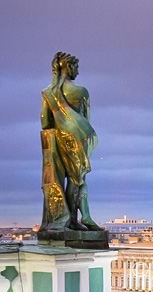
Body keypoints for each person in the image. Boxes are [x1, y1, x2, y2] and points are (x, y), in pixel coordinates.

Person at [40, 52, 101, 232]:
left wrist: (59, 119)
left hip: (57, 140)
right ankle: (78, 219)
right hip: (77, 140)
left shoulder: (48, 93)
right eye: (76, 67)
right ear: (70, 67)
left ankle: (69, 218)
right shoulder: (81, 92)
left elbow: (44, 121)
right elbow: (85, 119)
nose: (78, 72)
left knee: (62, 179)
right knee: (78, 179)